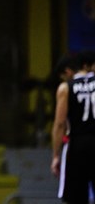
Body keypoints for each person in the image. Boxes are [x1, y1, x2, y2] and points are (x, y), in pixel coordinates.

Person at [51, 52, 95, 203]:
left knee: (75, 198)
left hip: (77, 144)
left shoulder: (65, 88)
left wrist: (56, 155)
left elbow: (60, 124)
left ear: (68, 71)